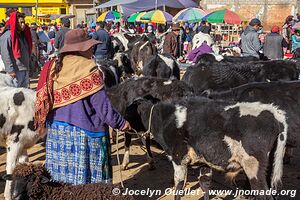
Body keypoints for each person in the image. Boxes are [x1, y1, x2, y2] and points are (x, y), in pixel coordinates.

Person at [34, 29, 131, 185]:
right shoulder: (89, 68)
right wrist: (121, 123)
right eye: (90, 46)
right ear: (82, 48)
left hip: (56, 134)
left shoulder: (52, 66)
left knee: (61, 182)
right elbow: (103, 108)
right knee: (89, 185)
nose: (92, 49)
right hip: (84, 134)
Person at [0, 12, 32, 88]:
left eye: (24, 22)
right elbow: (5, 54)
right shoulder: (8, 35)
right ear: (15, 22)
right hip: (15, 71)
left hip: (24, 69)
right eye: (21, 22)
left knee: (24, 95)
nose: (23, 24)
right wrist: (10, 70)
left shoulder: (23, 35)